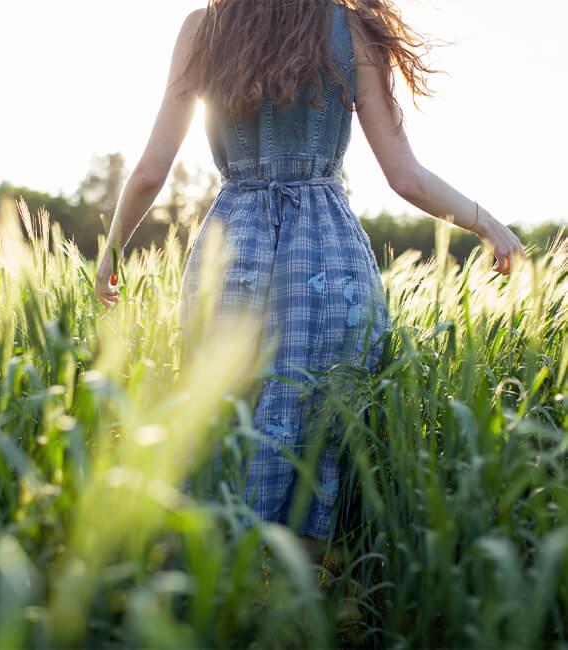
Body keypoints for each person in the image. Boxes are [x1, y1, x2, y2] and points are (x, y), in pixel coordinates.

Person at [94, 0, 526, 566]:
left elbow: (153, 168)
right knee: (320, 434)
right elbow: (406, 175)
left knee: (227, 420)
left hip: (232, 254)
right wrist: (485, 221)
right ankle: (308, 607)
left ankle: (225, 597)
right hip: (328, 260)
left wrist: (112, 250)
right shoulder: (351, 31)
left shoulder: (204, 28)